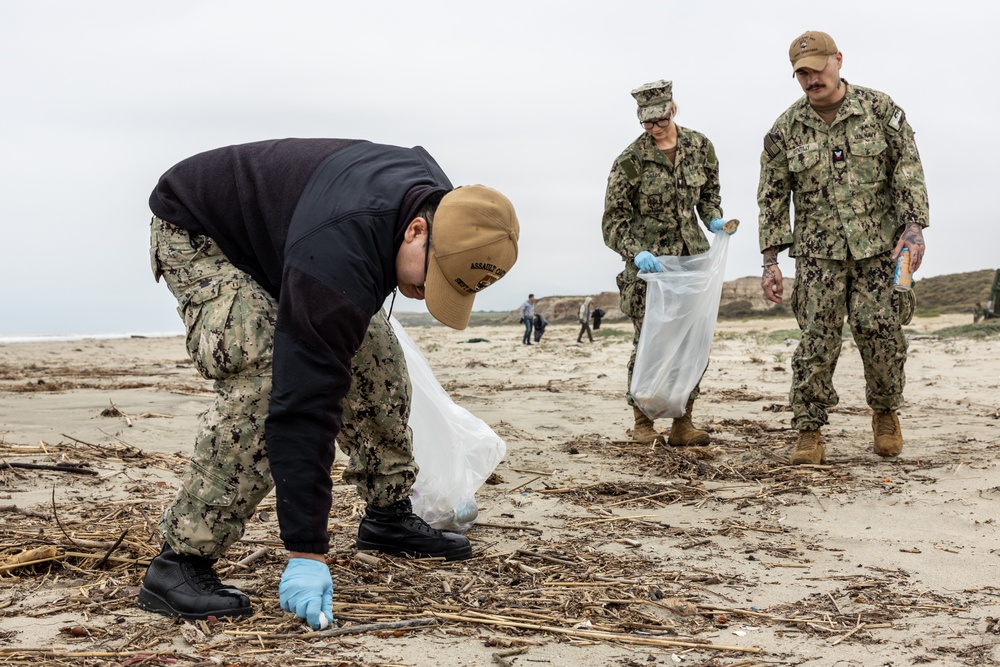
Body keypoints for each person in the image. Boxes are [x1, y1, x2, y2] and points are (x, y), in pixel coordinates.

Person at [137, 138, 519, 630]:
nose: (426, 295)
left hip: (295, 236)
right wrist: (307, 552)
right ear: (416, 230)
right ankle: (179, 562)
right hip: (205, 233)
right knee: (267, 378)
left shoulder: (447, 210)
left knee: (379, 363)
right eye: (433, 279)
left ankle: (387, 515)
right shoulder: (341, 246)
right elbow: (302, 404)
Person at [758, 31, 929, 465]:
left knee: (883, 334)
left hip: (883, 251)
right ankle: (809, 430)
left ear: (838, 59)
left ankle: (886, 414)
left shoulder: (880, 110)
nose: (811, 78)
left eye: (817, 68)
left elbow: (907, 169)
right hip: (818, 255)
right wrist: (770, 260)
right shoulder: (784, 130)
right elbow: (772, 198)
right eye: (802, 73)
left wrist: (914, 227)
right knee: (816, 340)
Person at [602, 80, 736, 446]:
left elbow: (709, 196)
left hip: (690, 262)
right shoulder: (630, 162)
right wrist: (635, 251)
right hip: (650, 268)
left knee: (691, 343)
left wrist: (714, 221)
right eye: (646, 123)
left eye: (660, 120)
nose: (654, 128)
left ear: (672, 110)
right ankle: (643, 421)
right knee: (650, 342)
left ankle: (683, 421)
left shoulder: (700, 147)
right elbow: (612, 222)